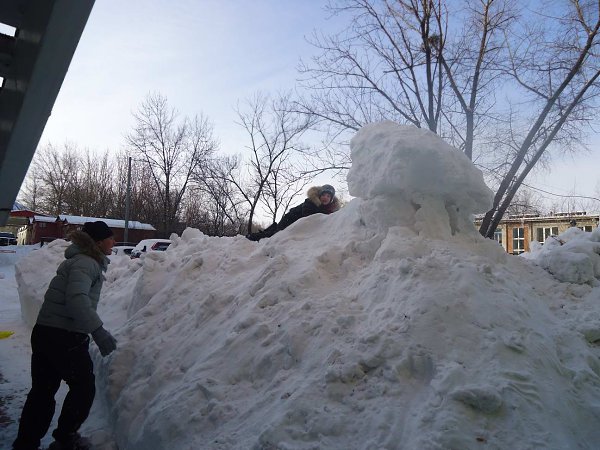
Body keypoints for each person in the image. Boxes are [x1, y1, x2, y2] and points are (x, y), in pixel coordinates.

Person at [13, 221, 118, 450]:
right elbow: (76, 299)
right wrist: (98, 331)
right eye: (110, 238)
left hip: (46, 331)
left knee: (42, 392)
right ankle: (66, 437)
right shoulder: (86, 263)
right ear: (99, 242)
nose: (114, 242)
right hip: (65, 336)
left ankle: (25, 444)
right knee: (84, 388)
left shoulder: (80, 260)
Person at [247, 184, 340, 241]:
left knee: (275, 233)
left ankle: (271, 229)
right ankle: (252, 237)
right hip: (290, 219)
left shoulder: (328, 210)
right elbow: (311, 218)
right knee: (276, 236)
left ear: (331, 199)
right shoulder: (311, 202)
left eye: (328, 196)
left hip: (296, 223)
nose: (325, 197)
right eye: (323, 195)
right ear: (319, 195)